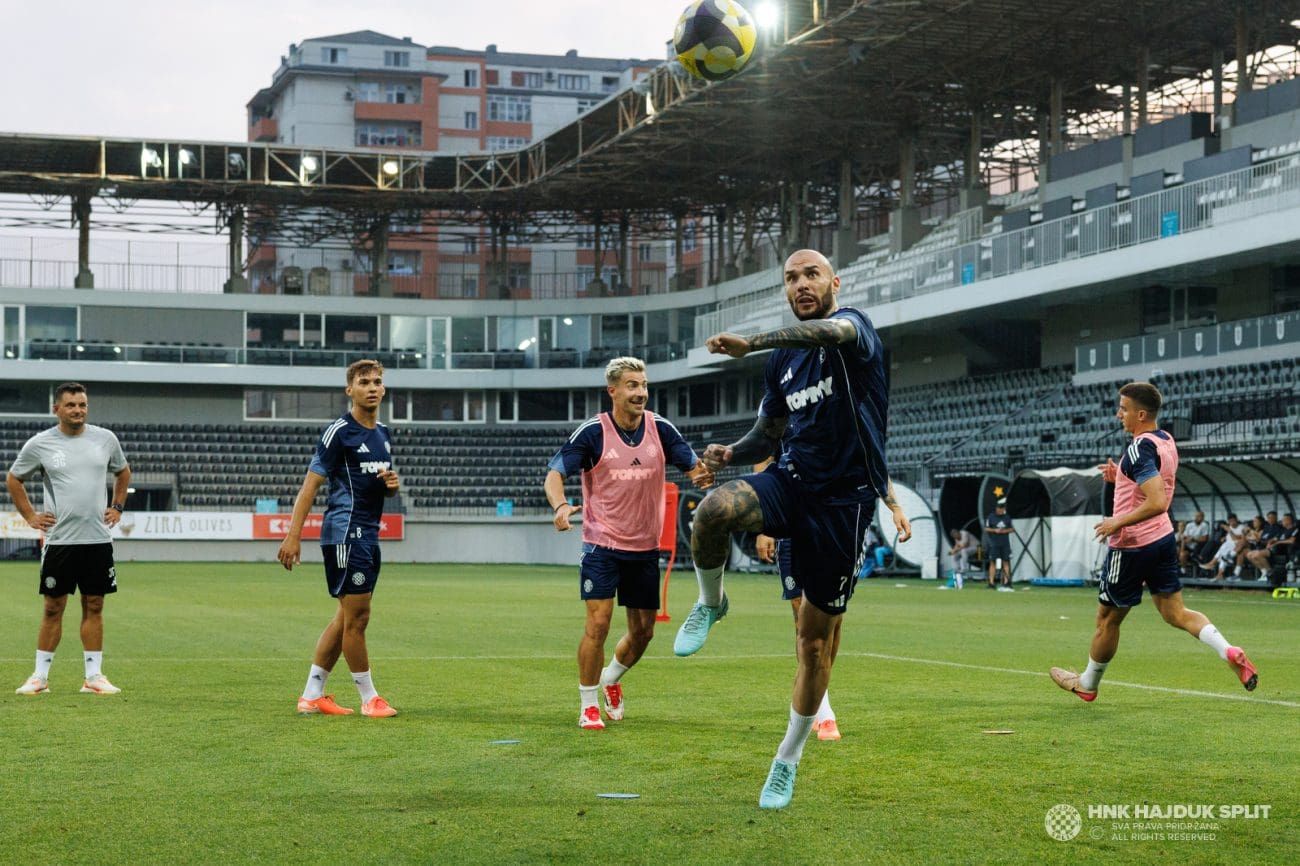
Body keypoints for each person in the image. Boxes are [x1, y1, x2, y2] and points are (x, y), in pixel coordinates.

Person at [673, 249, 911, 809]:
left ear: (835, 281)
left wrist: (752, 341)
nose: (801, 284)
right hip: (792, 480)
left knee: (814, 644)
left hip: (844, 505)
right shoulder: (782, 362)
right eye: (791, 278)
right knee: (711, 512)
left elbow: (830, 332)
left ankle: (787, 758)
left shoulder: (854, 328)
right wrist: (731, 452)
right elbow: (769, 433)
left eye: (811, 275)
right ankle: (711, 602)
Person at [1050, 382, 1257, 703]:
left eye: (1124, 409)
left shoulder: (1138, 448)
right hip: (1161, 540)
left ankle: (1088, 683)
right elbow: (1153, 482)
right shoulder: (1166, 440)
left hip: (1131, 546)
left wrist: (1116, 521)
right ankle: (1228, 650)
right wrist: (1121, 474)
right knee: (1176, 613)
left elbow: (1157, 500)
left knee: (1107, 620)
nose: (1118, 414)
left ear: (1141, 414)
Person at [544, 356, 713, 730]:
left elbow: (695, 468)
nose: (641, 392)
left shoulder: (660, 429)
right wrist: (560, 506)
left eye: (644, 385)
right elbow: (555, 474)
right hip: (601, 547)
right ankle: (588, 704)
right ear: (613, 391)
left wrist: (704, 473)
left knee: (643, 632)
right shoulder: (593, 433)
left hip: (644, 549)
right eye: (632, 385)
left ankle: (611, 678)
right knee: (598, 624)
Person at [278, 359, 401, 718]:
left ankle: (312, 694)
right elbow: (310, 485)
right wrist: (293, 536)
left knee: (345, 617)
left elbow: (378, 487)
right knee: (358, 619)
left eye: (377, 381)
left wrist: (391, 488)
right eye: (364, 382)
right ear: (350, 390)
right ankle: (369, 698)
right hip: (346, 533)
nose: (372, 387)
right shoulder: (339, 432)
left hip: (368, 533)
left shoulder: (383, 434)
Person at [9, 383, 131, 696]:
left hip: (97, 539)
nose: (78, 410)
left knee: (95, 604)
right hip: (60, 540)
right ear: (57, 409)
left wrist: (117, 507)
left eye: (82, 404)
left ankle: (93, 677)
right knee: (53, 607)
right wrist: (30, 517)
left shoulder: (105, 439)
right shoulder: (40, 444)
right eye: (71, 405)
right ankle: (39, 677)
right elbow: (14, 478)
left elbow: (123, 472)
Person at [755, 534, 841, 740]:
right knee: (801, 614)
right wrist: (765, 530)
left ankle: (815, 695)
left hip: (834, 531)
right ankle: (822, 708)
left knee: (833, 613)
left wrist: (896, 514)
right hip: (790, 535)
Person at [984, 498, 1014, 590]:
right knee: (993, 562)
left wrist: (1004, 531)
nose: (1000, 510)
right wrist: (994, 530)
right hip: (994, 543)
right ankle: (991, 582)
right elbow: (986, 528)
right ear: (996, 508)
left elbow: (1012, 529)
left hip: (1005, 543)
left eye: (1002, 509)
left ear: (1003, 509)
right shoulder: (991, 517)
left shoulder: (1007, 517)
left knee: (1006, 561)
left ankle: (1006, 582)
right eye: (999, 509)